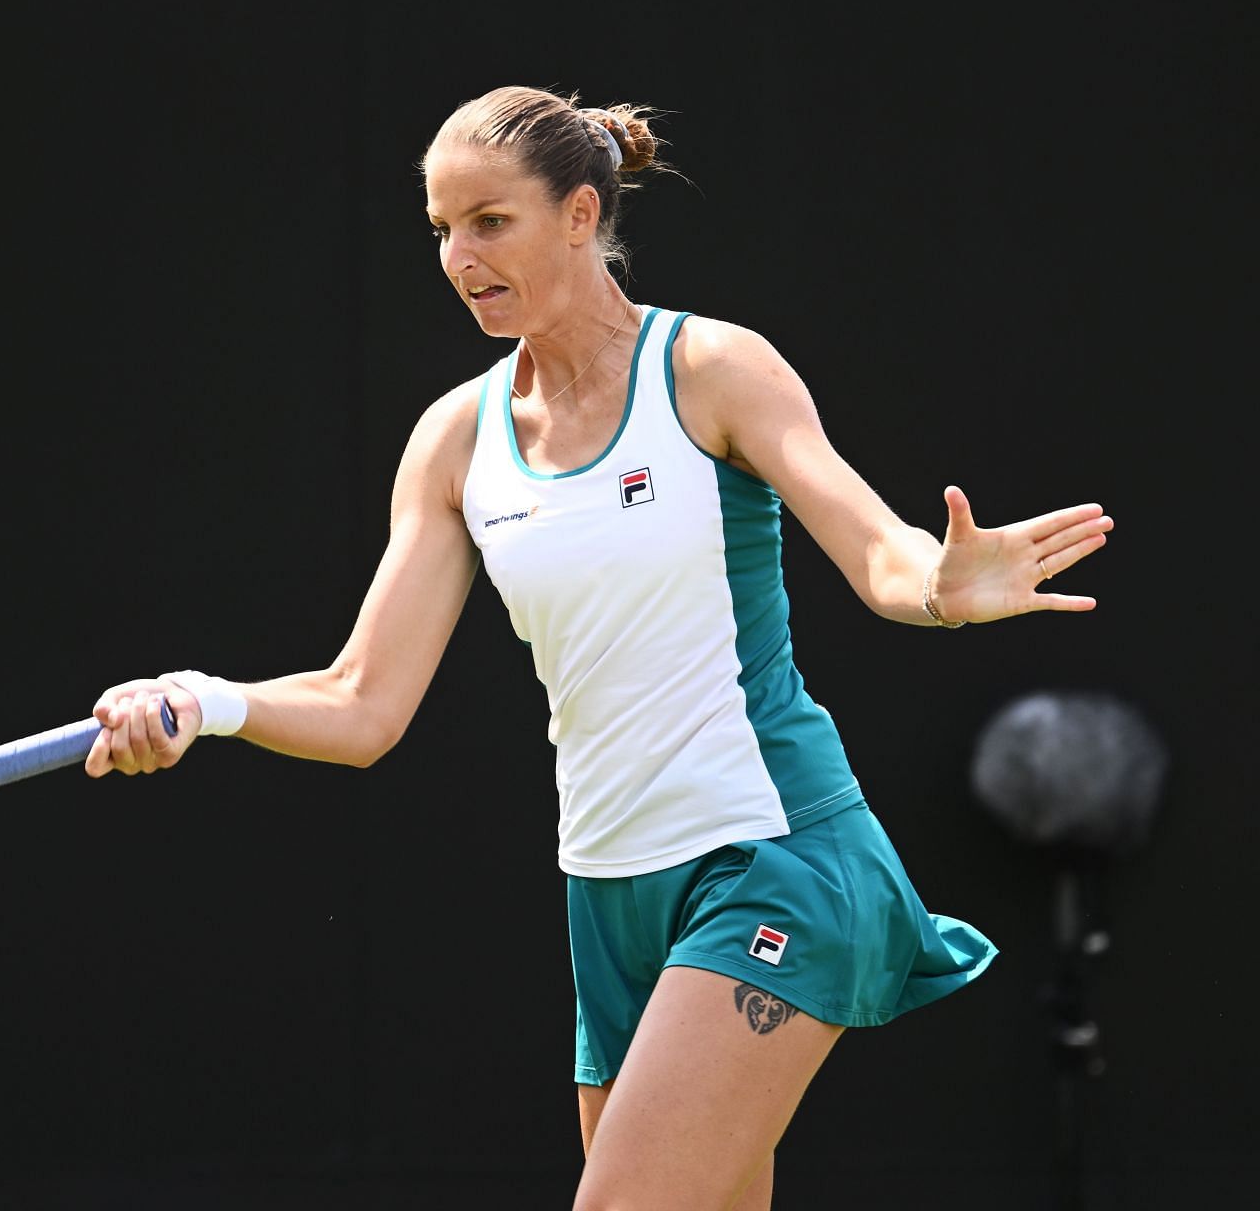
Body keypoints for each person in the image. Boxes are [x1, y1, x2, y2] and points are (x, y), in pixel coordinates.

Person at [84, 85, 1112, 1210]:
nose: (459, 256)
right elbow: (361, 701)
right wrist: (204, 698)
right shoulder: (455, 440)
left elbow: (882, 555)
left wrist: (942, 587)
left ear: (580, 214)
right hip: (611, 894)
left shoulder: (713, 370)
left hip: (774, 853)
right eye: (440, 229)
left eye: (490, 222)